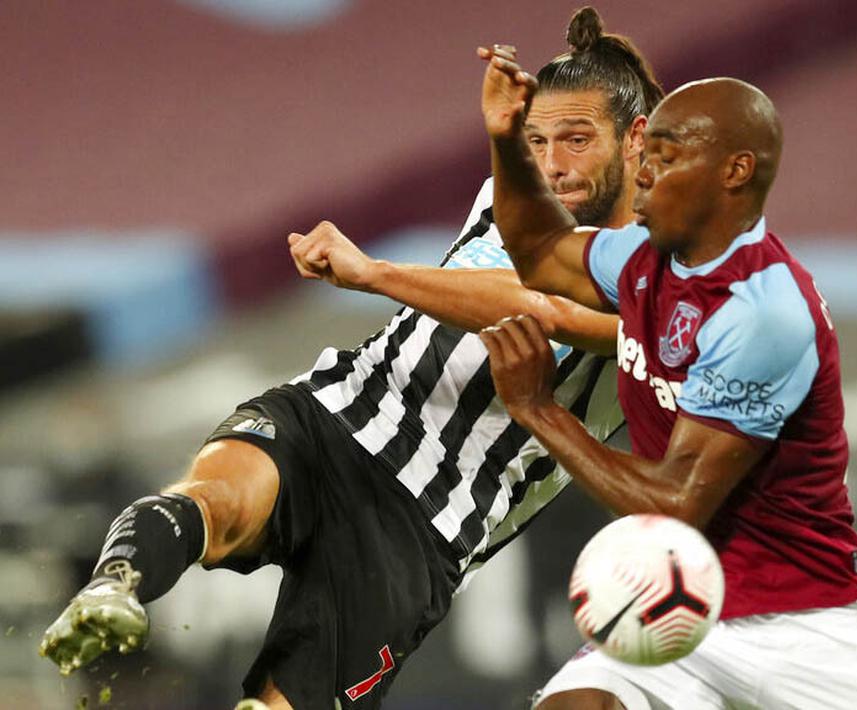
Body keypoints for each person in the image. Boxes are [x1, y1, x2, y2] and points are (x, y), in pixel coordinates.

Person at [38, 9, 662, 708]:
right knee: (217, 499)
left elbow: (541, 306)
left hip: (422, 521)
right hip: (340, 407)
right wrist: (500, 140)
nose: (553, 163)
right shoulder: (516, 196)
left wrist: (372, 274)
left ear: (636, 139)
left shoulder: (666, 269)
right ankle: (114, 586)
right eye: (539, 139)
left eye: (577, 140)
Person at [475, 43, 857, 709]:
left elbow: (674, 505)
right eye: (645, 156)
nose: (640, 173)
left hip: (807, 620)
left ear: (734, 172)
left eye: (663, 159)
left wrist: (539, 410)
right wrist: (506, 141)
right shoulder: (643, 258)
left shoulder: (764, 311)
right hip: (673, 604)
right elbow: (539, 254)